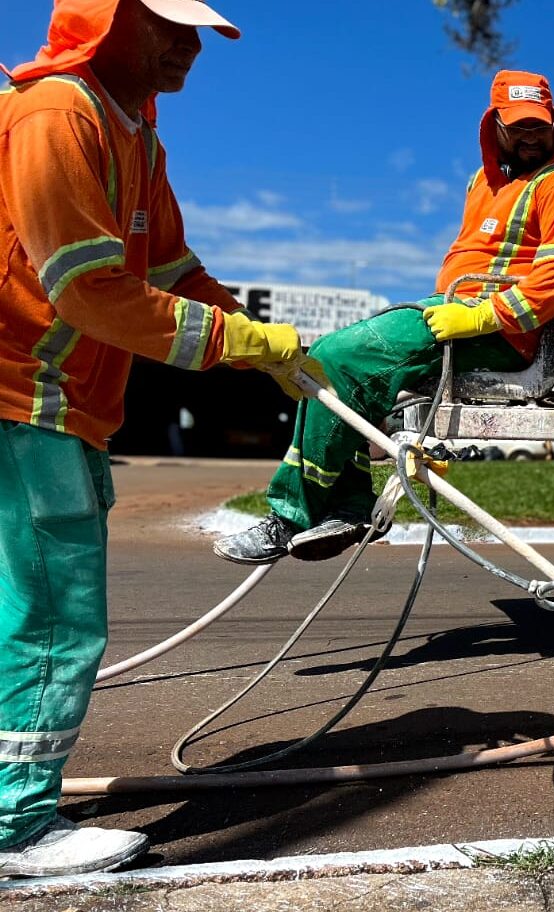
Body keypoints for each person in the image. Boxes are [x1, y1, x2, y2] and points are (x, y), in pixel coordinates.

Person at [0, 0, 317, 877]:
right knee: (54, 620)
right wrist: (241, 344)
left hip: (56, 406)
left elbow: (172, 269)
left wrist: (268, 344)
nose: (189, 47)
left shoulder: (134, 131)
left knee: (23, 613)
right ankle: (15, 832)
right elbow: (90, 290)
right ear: (105, 21)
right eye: (167, 26)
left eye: (197, 32)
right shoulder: (58, 113)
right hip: (26, 396)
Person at [213, 70, 554, 565]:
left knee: (334, 356)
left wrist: (484, 317)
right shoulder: (482, 183)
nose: (531, 137)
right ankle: (348, 503)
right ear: (494, 127)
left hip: (497, 334)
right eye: (518, 126)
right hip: (451, 316)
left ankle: (291, 517)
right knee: (332, 364)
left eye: (539, 126)